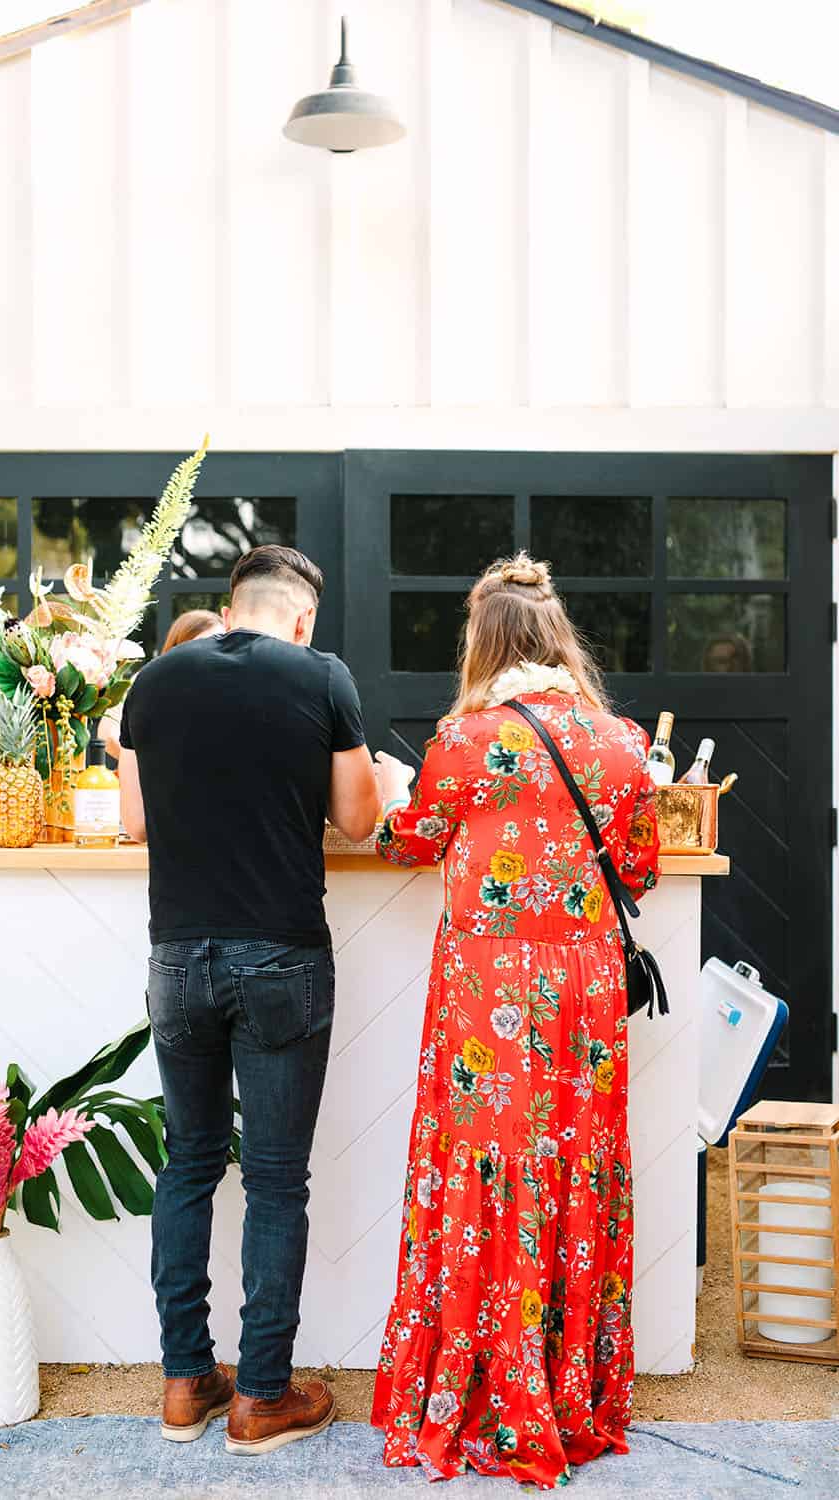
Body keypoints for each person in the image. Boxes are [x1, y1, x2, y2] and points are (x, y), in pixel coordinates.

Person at [371, 553, 661, 1487]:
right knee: (570, 1162)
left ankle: (481, 1381)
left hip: (485, 989)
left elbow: (410, 840)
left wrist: (383, 797)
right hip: (581, 992)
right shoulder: (617, 741)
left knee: (486, 1162)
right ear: (556, 636)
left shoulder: (465, 740)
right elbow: (643, 867)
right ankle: (569, 1388)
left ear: (483, 643)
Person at [118, 545, 379, 1456]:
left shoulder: (154, 682)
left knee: (189, 1161)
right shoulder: (321, 676)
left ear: (230, 607)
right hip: (279, 956)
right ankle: (262, 1396)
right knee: (274, 1179)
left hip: (176, 957)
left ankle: (186, 1381)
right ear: (301, 617)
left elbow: (137, 823)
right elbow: (360, 819)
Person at [99, 609, 222, 760]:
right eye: (201, 645)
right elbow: (108, 734)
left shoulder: (228, 685)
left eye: (219, 643)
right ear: (178, 646)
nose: (211, 651)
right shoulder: (149, 681)